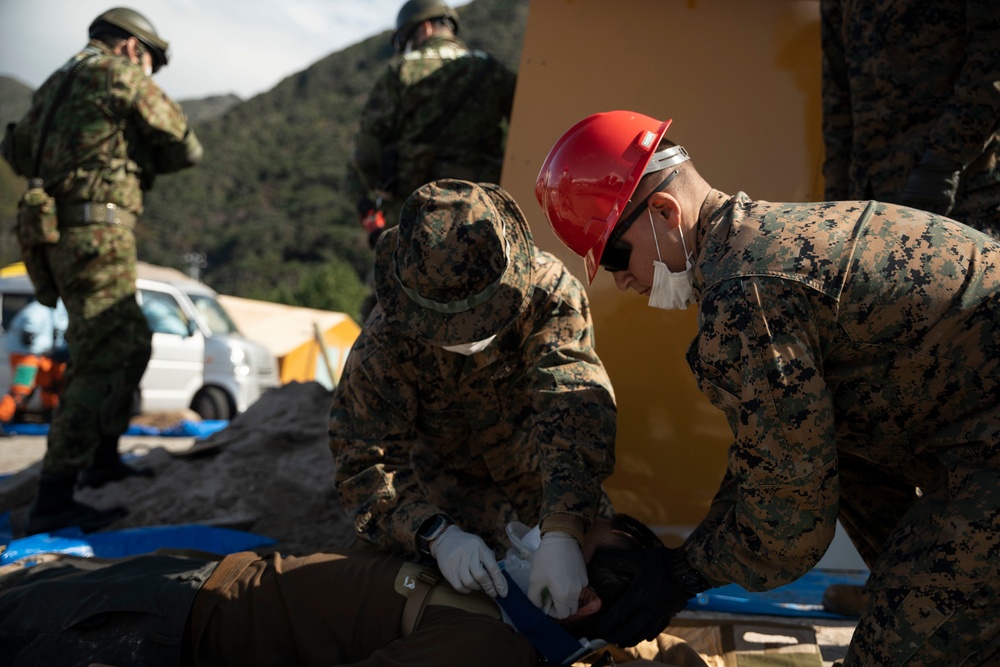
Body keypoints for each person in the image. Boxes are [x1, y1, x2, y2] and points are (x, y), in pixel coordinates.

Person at [534, 110, 1000, 665]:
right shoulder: (763, 240)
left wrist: (679, 577)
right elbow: (779, 447)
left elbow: (791, 516)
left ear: (663, 211)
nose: (620, 280)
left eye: (615, 255)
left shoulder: (746, 293)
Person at [329, 179, 617, 622]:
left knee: (607, 602)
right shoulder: (384, 342)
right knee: (421, 617)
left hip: (551, 482)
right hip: (443, 496)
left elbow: (575, 407)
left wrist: (562, 529)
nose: (467, 339)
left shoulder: (548, 296)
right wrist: (432, 532)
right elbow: (364, 461)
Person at [0, 7, 203, 535]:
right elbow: (184, 142)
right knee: (100, 356)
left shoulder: (51, 85)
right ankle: (55, 496)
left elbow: (18, 152)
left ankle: (102, 458)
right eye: (148, 62)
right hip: (96, 231)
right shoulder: (118, 73)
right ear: (133, 49)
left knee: (131, 340)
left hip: (54, 234)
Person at [0, 513, 699, 667]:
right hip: (190, 586)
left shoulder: (490, 645)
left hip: (166, 624)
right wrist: (434, 531)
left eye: (565, 544)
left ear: (580, 601)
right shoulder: (492, 596)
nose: (540, 533)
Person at [345, 0, 517, 319]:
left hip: (414, 217)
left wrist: (383, 190)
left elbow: (365, 156)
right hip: (481, 216)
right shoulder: (491, 71)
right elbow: (524, 131)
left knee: (391, 311)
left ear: (423, 29)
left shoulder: (402, 70)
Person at [820, 0, 1000, 238]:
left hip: (959, 203)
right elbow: (838, 98)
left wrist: (942, 163)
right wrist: (834, 209)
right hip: (867, 210)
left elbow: (992, 63)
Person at [0, 299, 69, 429]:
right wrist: (32, 340)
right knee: (22, 388)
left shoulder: (57, 309)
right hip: (25, 353)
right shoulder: (40, 308)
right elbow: (29, 324)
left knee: (50, 384)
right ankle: (3, 417)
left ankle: (50, 414)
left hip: (42, 353)